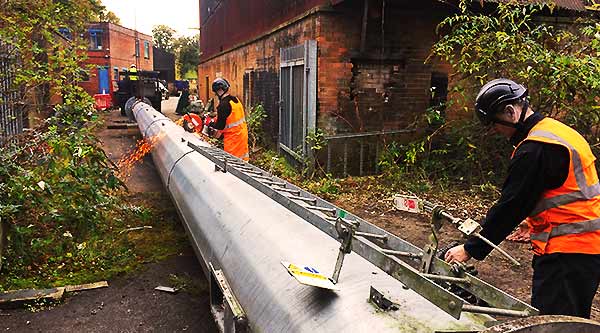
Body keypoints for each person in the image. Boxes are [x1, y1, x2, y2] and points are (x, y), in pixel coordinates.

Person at [444, 78, 600, 318]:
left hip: (566, 254)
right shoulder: (559, 132)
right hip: (585, 250)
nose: (496, 131)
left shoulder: (535, 148)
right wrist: (535, 220)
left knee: (555, 324)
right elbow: (564, 191)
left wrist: (470, 249)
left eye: (495, 125)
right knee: (572, 321)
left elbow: (510, 207)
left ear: (510, 112)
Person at [208, 78, 249, 161]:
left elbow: (220, 126)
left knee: (232, 163)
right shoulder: (235, 100)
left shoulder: (223, 105)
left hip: (232, 140)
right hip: (242, 136)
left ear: (219, 90)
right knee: (243, 161)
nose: (215, 94)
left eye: (215, 92)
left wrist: (210, 123)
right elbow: (231, 116)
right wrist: (216, 117)